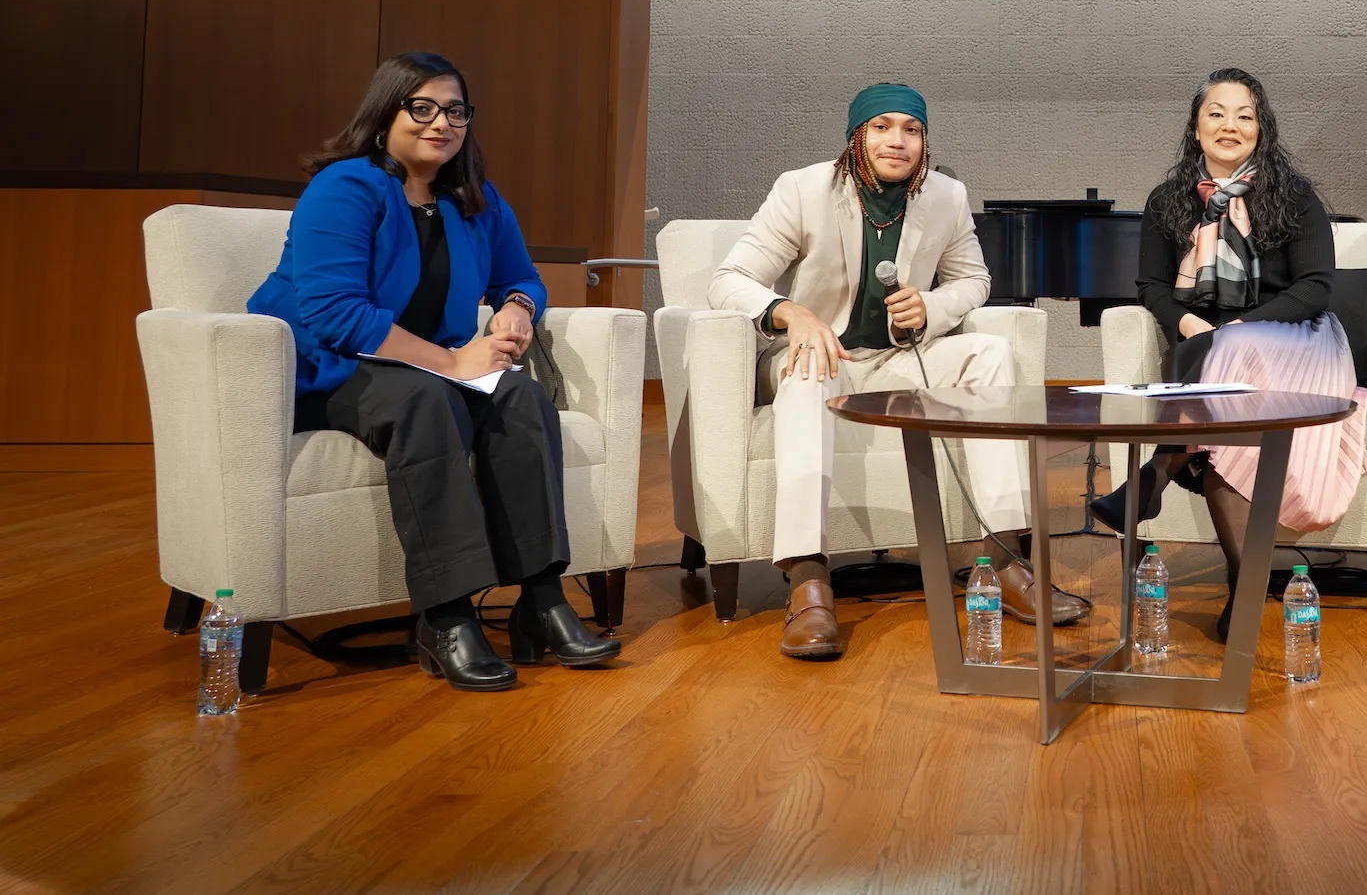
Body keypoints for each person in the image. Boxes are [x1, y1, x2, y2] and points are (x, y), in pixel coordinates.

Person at [249, 52, 618, 693]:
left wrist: (516, 310)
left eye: (455, 110)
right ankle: (445, 618)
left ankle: (542, 601)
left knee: (520, 395)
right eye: (421, 108)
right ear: (384, 113)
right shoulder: (344, 187)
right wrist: (452, 360)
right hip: (334, 370)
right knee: (427, 399)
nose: (440, 123)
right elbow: (334, 314)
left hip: (423, 369)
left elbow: (522, 277)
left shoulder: (472, 198)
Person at [707, 82, 1085, 661]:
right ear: (857, 136)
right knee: (809, 367)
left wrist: (931, 308)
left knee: (992, 356)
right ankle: (809, 583)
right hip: (822, 358)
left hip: (899, 360)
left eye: (911, 130)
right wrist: (792, 313)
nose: (898, 141)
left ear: (924, 142)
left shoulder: (945, 196)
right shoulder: (803, 190)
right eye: (882, 127)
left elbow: (973, 280)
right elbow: (730, 278)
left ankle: (1008, 563)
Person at [1094, 67, 1366, 642]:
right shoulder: (1167, 201)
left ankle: (1156, 473)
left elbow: (1316, 286)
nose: (1230, 125)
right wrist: (1189, 319)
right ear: (1195, 128)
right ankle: (1244, 594)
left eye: (1245, 115)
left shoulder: (1292, 194)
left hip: (1299, 339)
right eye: (1216, 113)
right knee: (1218, 422)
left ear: (1261, 129)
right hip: (1207, 349)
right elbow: (1151, 288)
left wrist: (1241, 326)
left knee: (1223, 349)